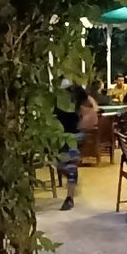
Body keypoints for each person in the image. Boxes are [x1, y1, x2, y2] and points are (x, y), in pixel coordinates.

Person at [54, 83, 97, 211]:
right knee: (67, 164)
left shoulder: (61, 102)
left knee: (69, 164)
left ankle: (69, 197)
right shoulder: (70, 102)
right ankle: (70, 190)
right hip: (68, 137)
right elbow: (93, 113)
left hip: (70, 138)